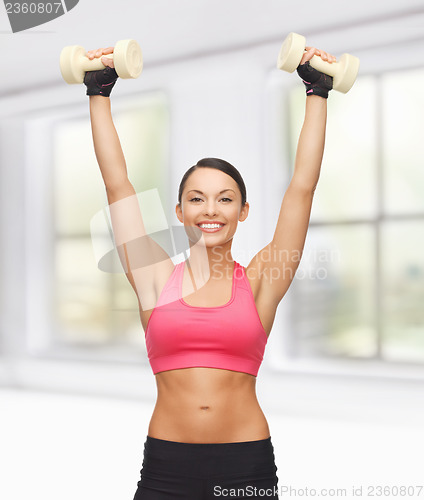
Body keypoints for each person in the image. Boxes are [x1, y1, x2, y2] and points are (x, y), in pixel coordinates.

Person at [83, 42, 336, 499]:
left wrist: (317, 93)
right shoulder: (154, 277)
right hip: (166, 466)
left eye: (225, 198)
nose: (210, 209)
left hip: (245, 465)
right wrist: (98, 92)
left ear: (242, 211)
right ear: (179, 212)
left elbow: (302, 187)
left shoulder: (261, 279)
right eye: (196, 199)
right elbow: (116, 183)